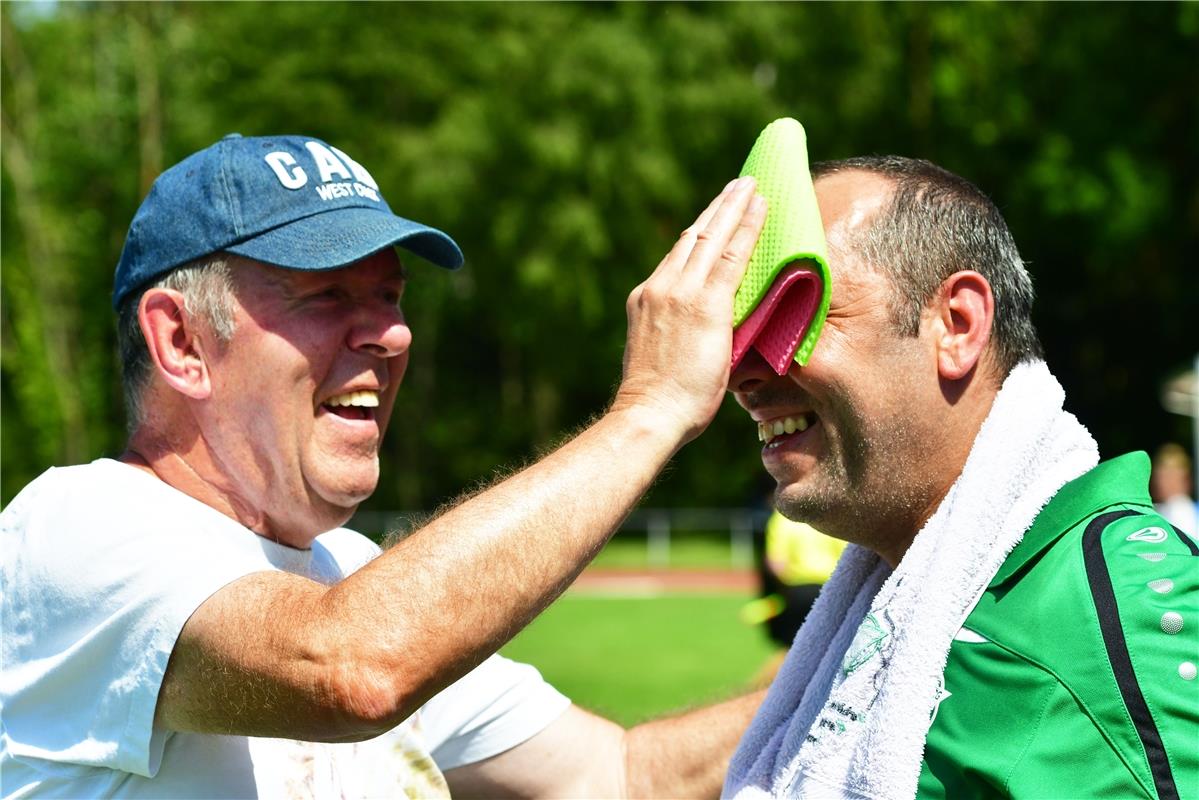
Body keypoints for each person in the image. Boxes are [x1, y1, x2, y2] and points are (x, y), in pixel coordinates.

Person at [0, 133, 768, 798]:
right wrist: (651, 407)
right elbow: (356, 671)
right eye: (328, 294)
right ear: (181, 344)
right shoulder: (75, 528)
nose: (393, 335)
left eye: (391, 296)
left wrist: (876, 619)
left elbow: (623, 777)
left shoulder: (351, 572)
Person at [722, 157, 1197, 799]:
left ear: (957, 326)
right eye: (742, 333)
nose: (743, 377)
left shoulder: (1119, 615)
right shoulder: (897, 601)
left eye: (795, 314)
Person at [1151, 442, 1198, 535]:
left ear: (1185, 479)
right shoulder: (1160, 510)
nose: (1161, 483)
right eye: (1161, 477)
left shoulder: (1179, 509)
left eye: (1170, 476)